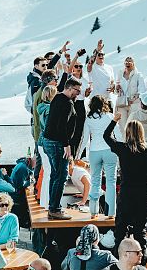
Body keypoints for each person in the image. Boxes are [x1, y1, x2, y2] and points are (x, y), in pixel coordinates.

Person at [103, 113, 147, 253]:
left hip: (127, 193)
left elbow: (106, 136)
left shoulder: (122, 148)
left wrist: (114, 121)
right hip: (144, 193)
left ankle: (118, 258)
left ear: (127, 133)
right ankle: (143, 259)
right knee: (140, 231)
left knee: (120, 230)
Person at [43, 76, 82, 220]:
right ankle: (55, 208)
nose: (78, 93)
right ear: (70, 88)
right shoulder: (65, 103)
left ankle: (53, 205)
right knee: (61, 176)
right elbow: (62, 126)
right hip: (58, 143)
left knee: (55, 175)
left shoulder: (57, 98)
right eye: (76, 90)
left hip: (50, 141)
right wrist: (67, 145)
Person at [78, 95, 121, 219]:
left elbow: (84, 138)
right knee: (111, 182)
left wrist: (78, 155)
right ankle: (111, 213)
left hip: (94, 151)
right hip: (109, 150)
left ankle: (93, 211)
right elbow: (117, 134)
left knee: (95, 181)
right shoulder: (109, 116)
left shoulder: (89, 119)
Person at [36, 84, 57, 209]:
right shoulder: (50, 110)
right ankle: (49, 203)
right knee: (50, 174)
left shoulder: (41, 107)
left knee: (47, 174)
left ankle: (44, 202)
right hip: (48, 143)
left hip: (41, 142)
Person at [115, 56, 145, 129]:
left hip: (133, 104)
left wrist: (135, 98)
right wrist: (117, 88)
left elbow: (142, 90)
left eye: (130, 61)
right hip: (122, 104)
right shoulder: (120, 73)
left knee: (132, 126)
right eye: (126, 61)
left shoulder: (138, 75)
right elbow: (116, 89)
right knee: (122, 126)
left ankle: (132, 140)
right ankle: (124, 140)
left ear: (133, 64)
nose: (128, 63)